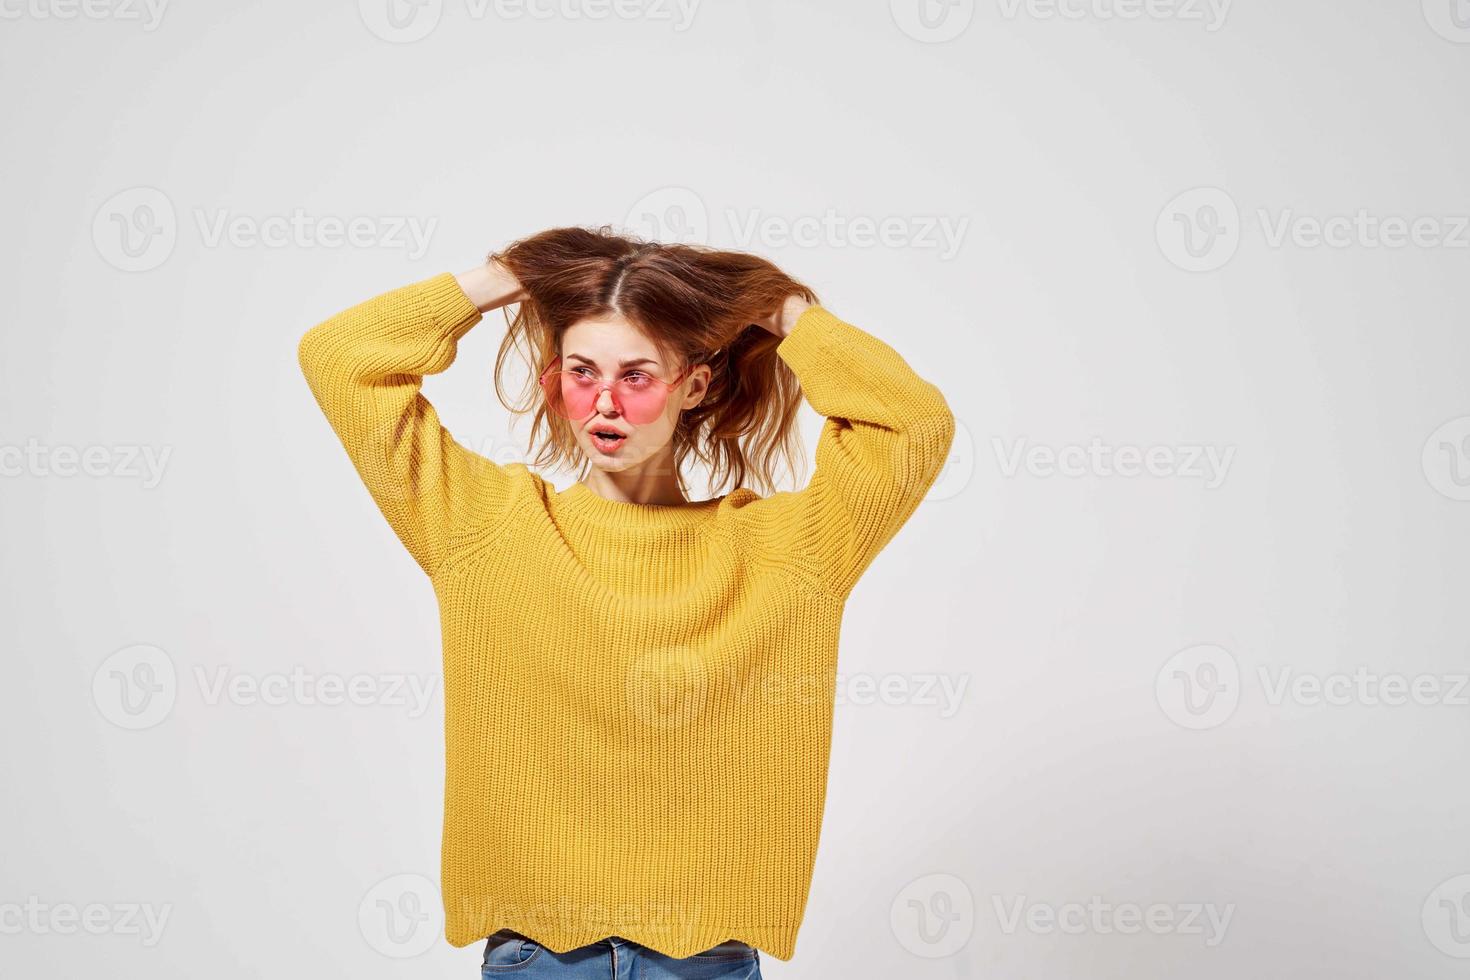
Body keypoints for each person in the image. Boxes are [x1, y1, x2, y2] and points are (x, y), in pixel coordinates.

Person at [297, 225, 955, 977]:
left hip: (701, 960)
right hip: (539, 956)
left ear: (697, 385)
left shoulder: (788, 551)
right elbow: (339, 357)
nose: (604, 402)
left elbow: (912, 425)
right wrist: (509, 276)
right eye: (582, 372)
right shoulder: (483, 525)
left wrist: (786, 311)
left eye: (636, 376)